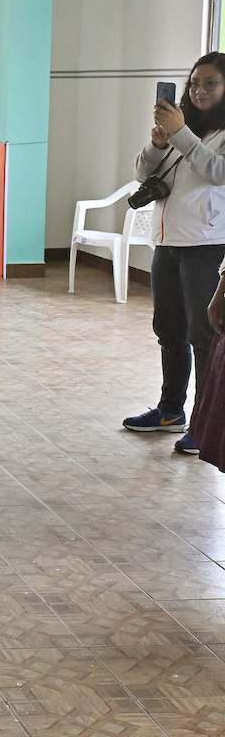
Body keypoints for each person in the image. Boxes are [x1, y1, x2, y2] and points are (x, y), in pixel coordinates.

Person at [124, 51, 225, 454]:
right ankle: (170, 410)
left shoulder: (206, 132)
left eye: (210, 83)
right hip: (167, 243)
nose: (199, 90)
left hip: (205, 245)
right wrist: (157, 143)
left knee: (203, 336)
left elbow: (217, 172)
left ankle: (204, 425)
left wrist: (182, 135)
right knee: (169, 329)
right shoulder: (182, 126)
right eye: (194, 83)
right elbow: (141, 173)